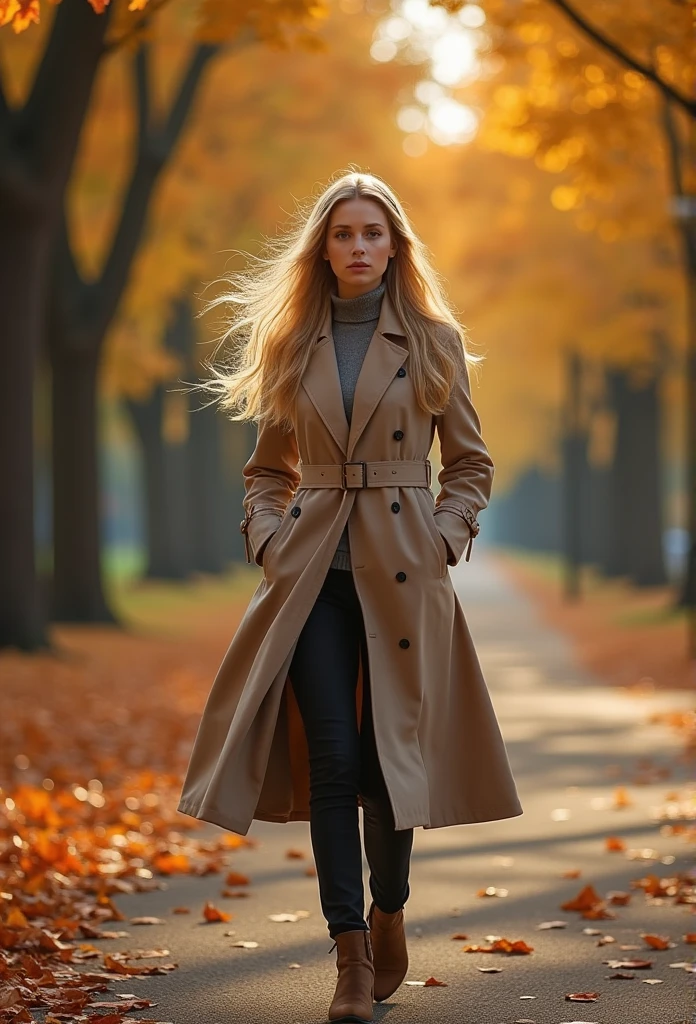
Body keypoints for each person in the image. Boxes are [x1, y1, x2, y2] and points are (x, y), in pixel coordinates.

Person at [177, 169, 522, 1024]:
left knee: (384, 762)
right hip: (312, 580)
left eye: (373, 233)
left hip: (404, 574)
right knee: (331, 757)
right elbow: (266, 472)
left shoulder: (435, 340)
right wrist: (268, 539)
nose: (358, 247)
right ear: (323, 248)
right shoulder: (295, 341)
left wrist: (445, 536)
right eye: (343, 234)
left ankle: (390, 904)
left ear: (395, 246)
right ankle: (351, 961)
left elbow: (470, 465)